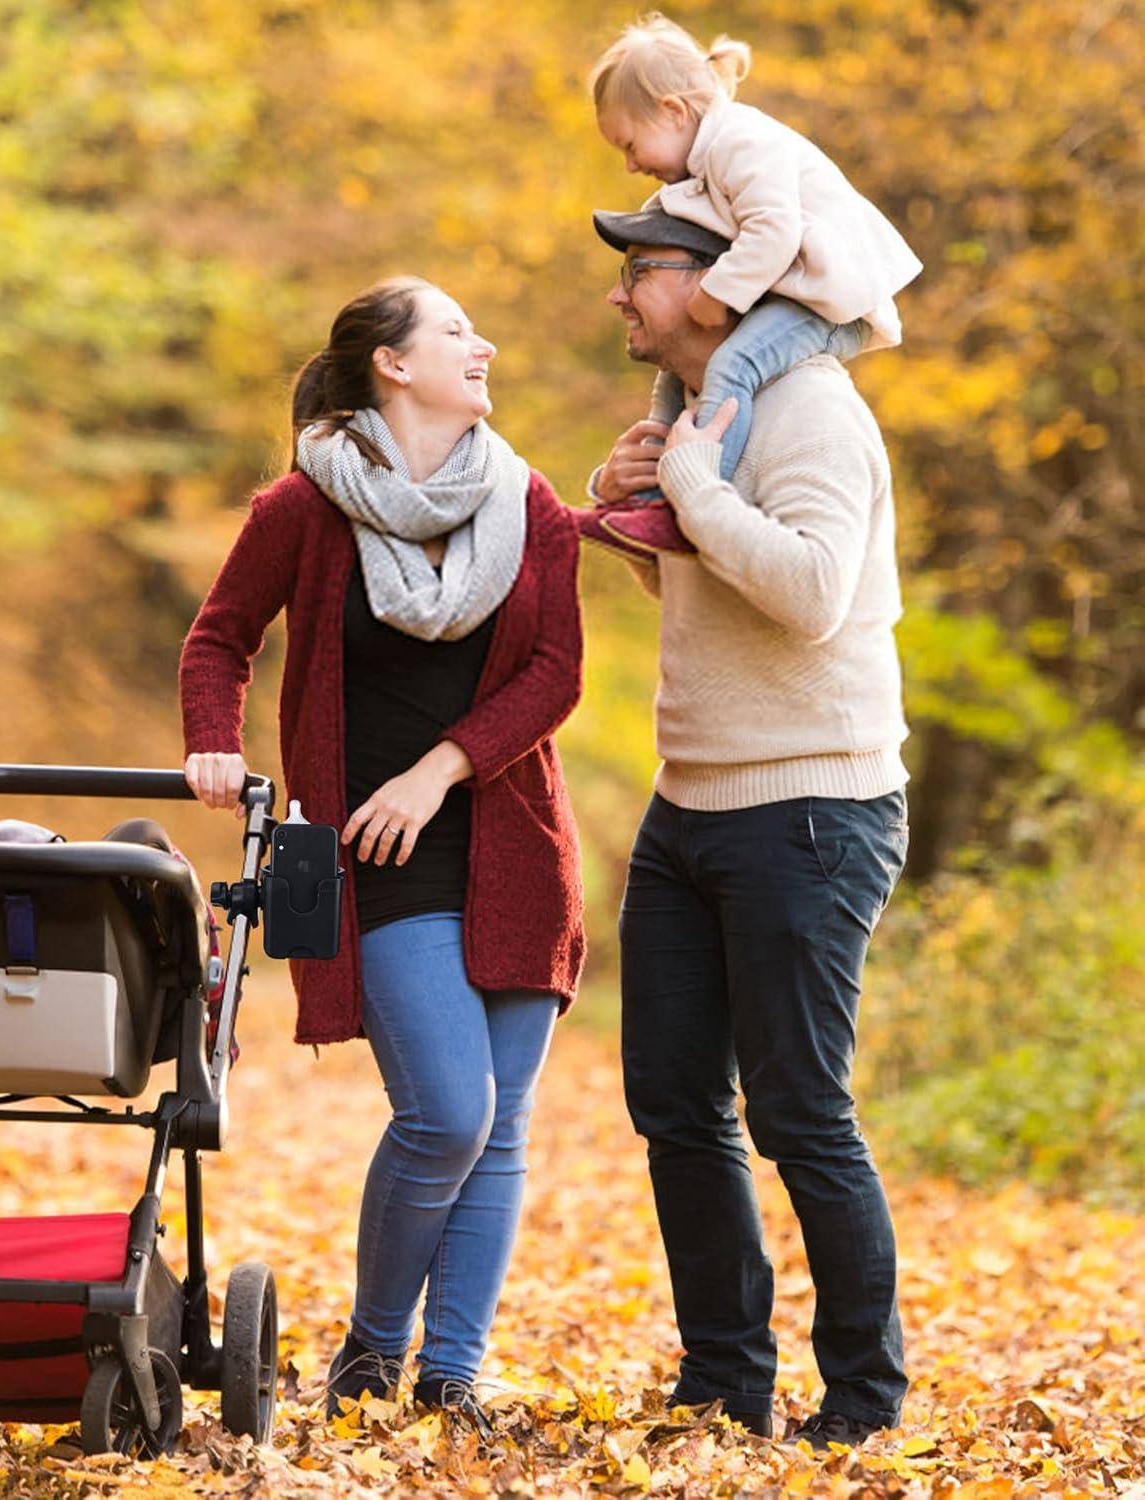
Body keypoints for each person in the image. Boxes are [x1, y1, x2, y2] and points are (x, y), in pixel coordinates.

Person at [178, 277, 586, 1428]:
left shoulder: (529, 503)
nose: (484, 344)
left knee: (499, 1127)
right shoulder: (305, 509)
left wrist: (438, 770)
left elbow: (555, 673)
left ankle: (452, 1373)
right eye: (458, 332)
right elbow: (219, 639)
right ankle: (372, 1347)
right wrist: (214, 745)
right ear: (393, 365)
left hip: (510, 841)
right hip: (367, 855)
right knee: (448, 1115)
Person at [590, 198, 911, 1450]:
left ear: (720, 286)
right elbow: (711, 578)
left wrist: (687, 490)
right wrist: (632, 514)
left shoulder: (812, 407)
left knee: (799, 1112)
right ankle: (727, 1383)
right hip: (691, 805)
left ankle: (865, 1401)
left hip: (812, 806)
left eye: (644, 271)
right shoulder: (690, 412)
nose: (621, 294)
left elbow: (814, 594)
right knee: (673, 1099)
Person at [578, 12, 920, 557]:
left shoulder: (741, 140)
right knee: (674, 377)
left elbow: (773, 229)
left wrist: (716, 295)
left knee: (733, 365)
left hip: (835, 304)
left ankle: (694, 494)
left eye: (630, 145)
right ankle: (646, 499)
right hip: (800, 294)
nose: (629, 165)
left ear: (672, 111)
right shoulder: (701, 158)